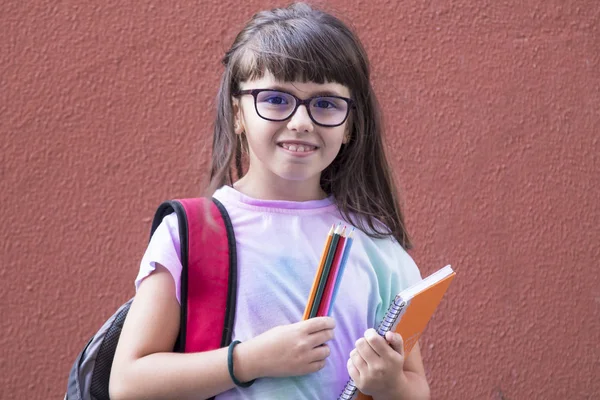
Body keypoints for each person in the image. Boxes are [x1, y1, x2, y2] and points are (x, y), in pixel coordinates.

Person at [109, 2, 431, 399]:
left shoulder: (377, 245)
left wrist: (390, 383)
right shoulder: (191, 232)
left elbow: (415, 388)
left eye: (326, 103)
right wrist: (250, 360)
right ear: (238, 113)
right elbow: (128, 383)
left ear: (350, 124)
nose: (301, 122)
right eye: (276, 99)